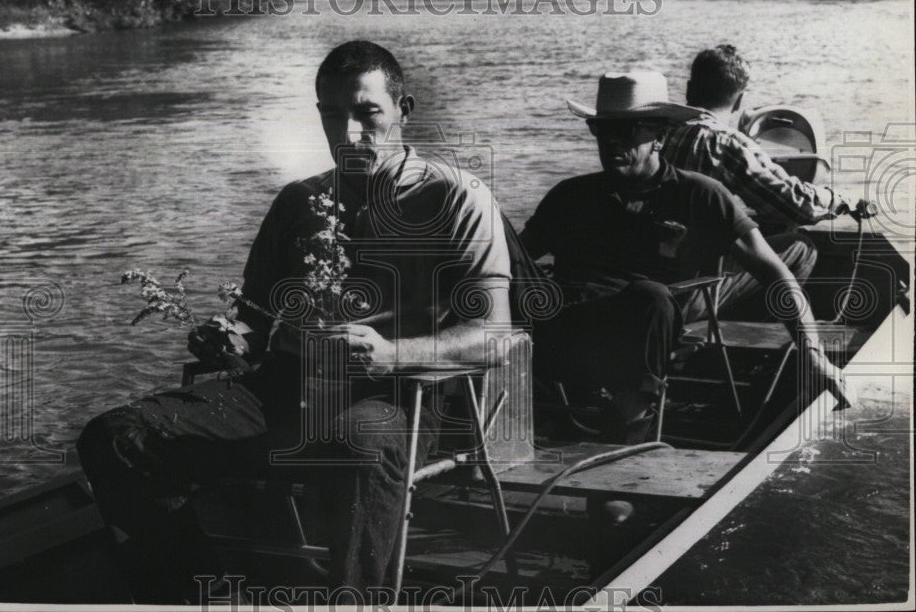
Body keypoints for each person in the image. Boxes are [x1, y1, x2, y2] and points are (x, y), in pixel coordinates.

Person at [76, 40, 514, 602]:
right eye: (332, 115)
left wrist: (391, 353)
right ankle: (194, 590)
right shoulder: (298, 202)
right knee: (115, 436)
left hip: (402, 397)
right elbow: (254, 325)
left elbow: (495, 337)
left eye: (367, 113)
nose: (348, 134)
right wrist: (225, 338)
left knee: (358, 437)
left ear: (406, 109)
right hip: (289, 389)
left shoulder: (458, 198)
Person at [521, 71, 853, 444]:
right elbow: (513, 261)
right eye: (602, 130)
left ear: (660, 137)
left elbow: (775, 273)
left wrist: (813, 355)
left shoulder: (700, 196)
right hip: (568, 330)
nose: (612, 141)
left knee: (651, 297)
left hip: (642, 331)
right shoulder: (569, 195)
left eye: (627, 131)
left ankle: (628, 431)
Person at [660, 45, 873, 320]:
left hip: (652, 283)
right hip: (689, 296)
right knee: (801, 247)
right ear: (740, 102)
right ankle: (760, 341)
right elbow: (799, 206)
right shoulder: (725, 142)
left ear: (689, 90)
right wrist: (844, 201)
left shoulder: (660, 134)